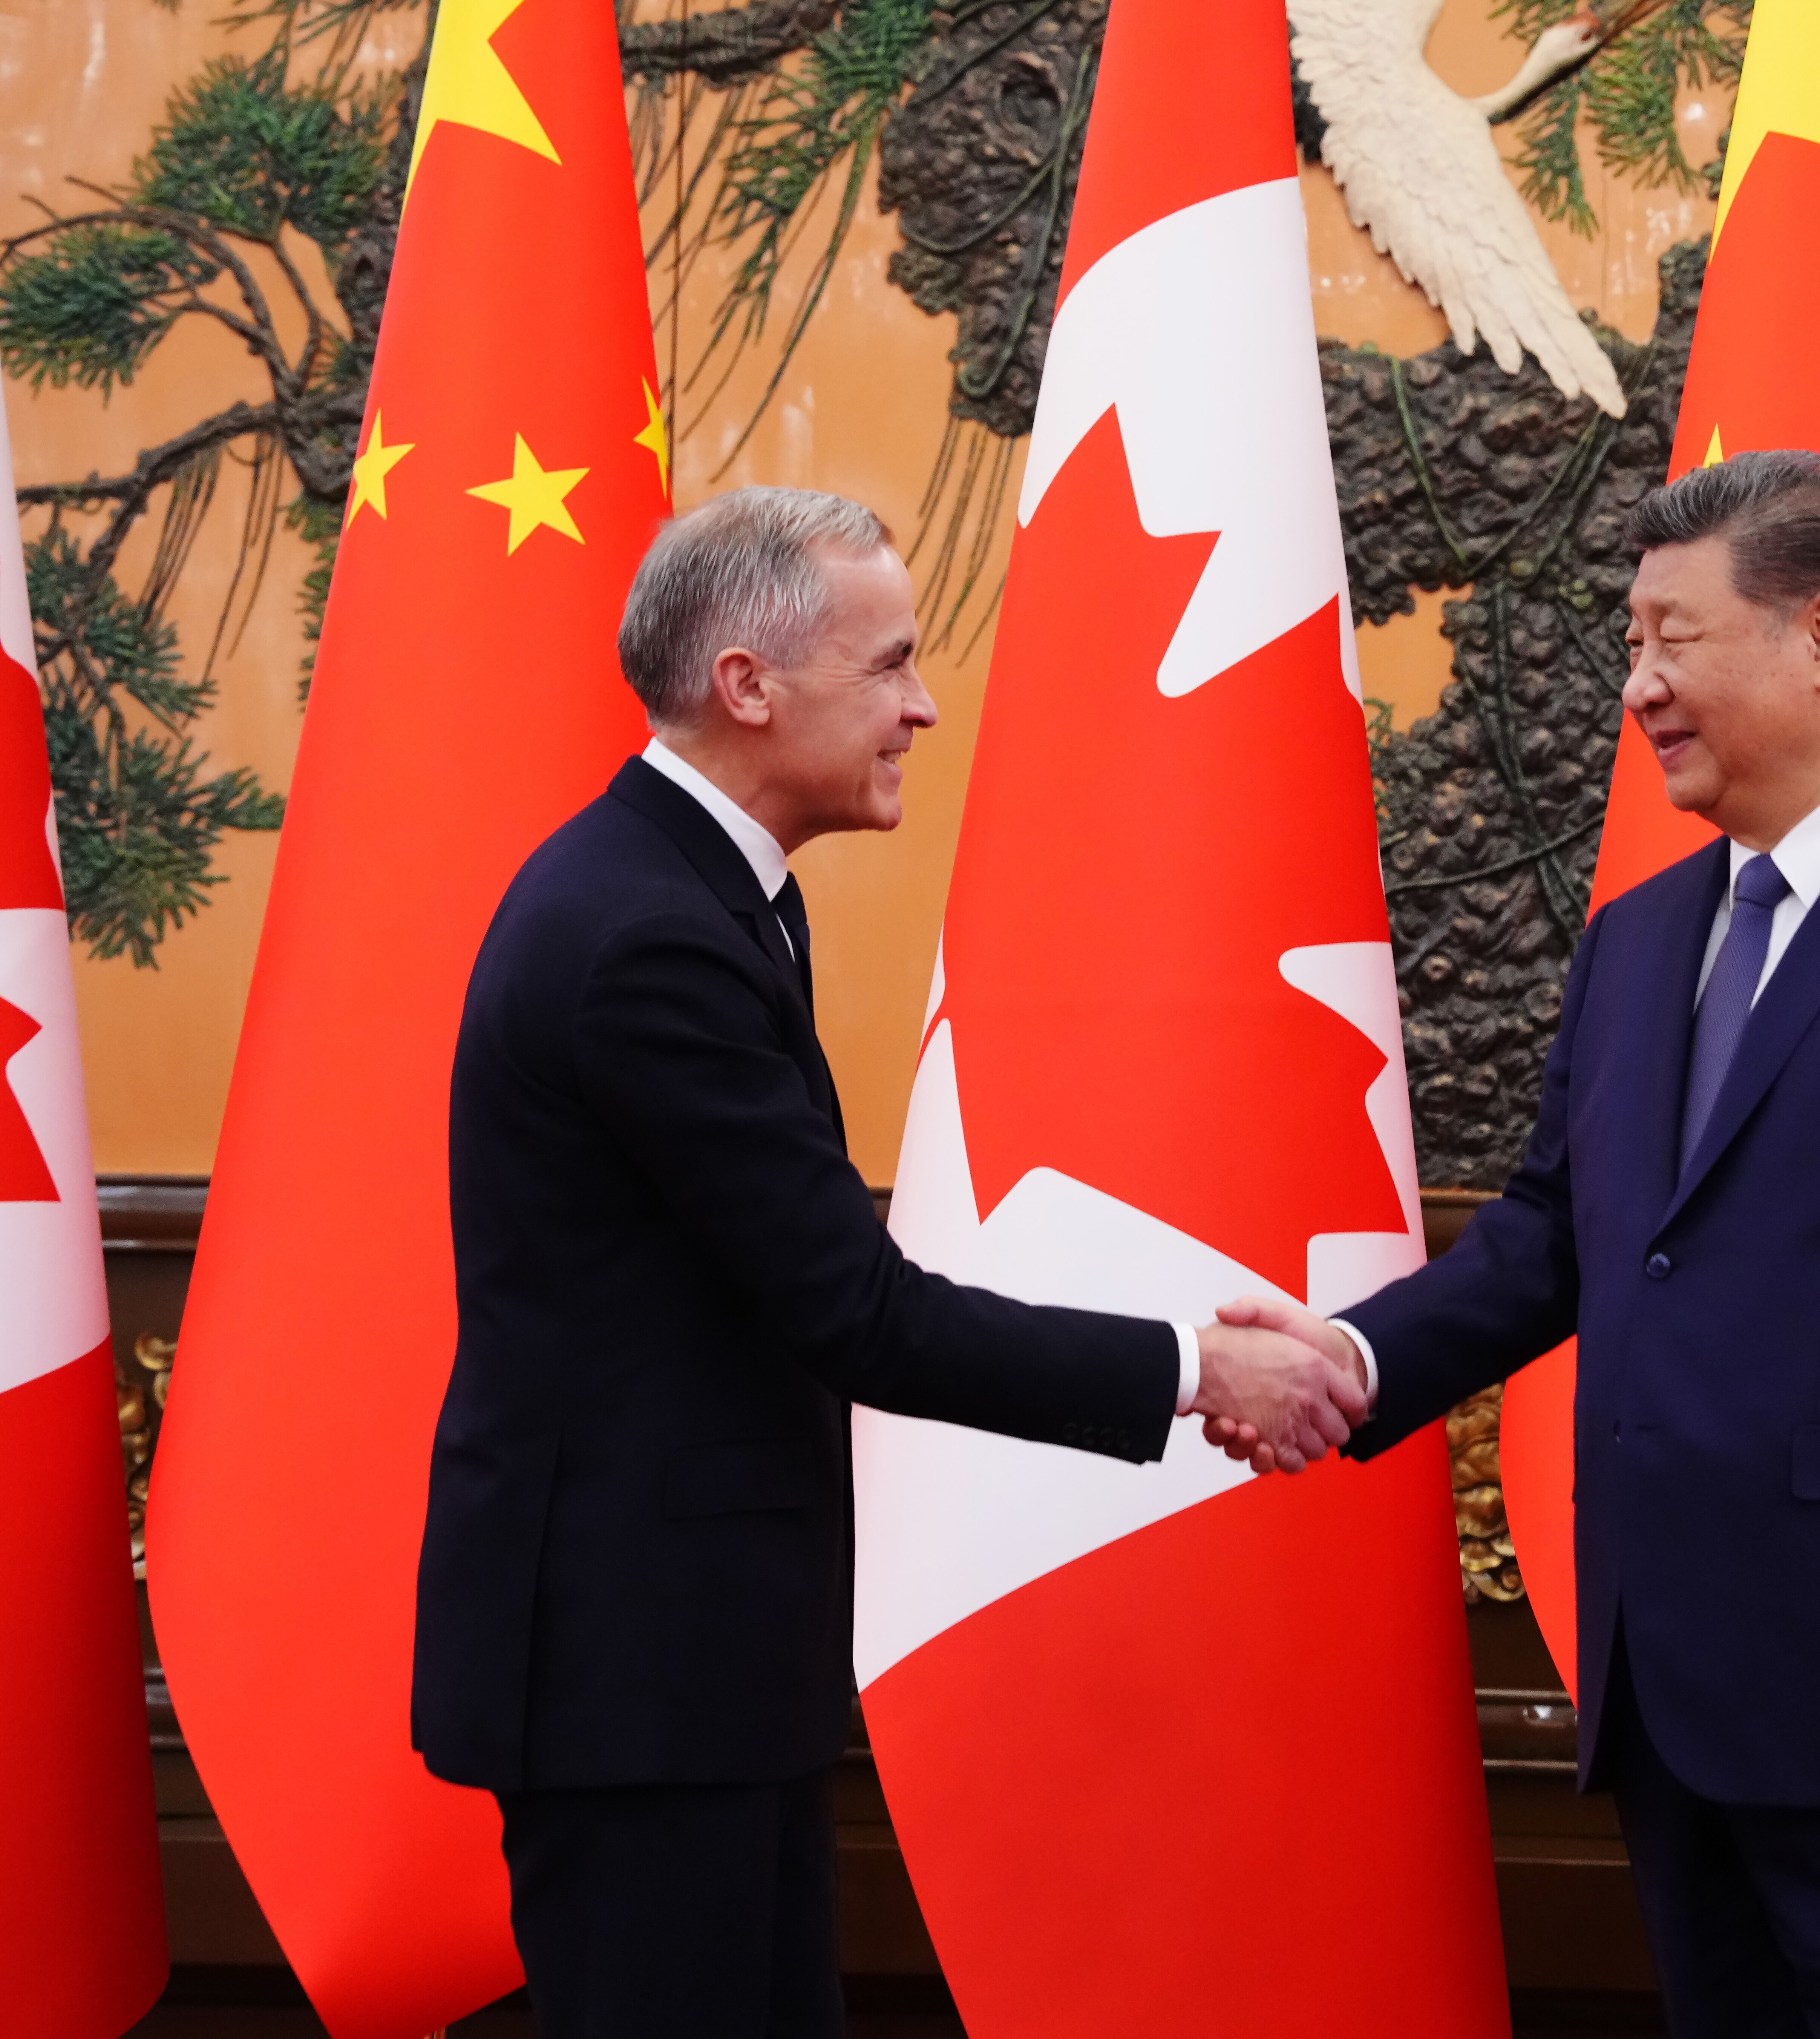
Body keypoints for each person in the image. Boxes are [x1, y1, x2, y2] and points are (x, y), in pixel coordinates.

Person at [1219, 451, 1820, 2036]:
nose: (1638, 687)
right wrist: (1350, 1355)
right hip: (1680, 1710)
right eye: (1630, 644)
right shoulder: (1640, 937)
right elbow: (1557, 1230)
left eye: (1672, 638)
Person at [411, 487, 1362, 2039]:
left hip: (695, 1662)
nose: (923, 705)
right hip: (640, 1680)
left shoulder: (690, 892)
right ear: (747, 685)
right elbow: (858, 1314)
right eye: (891, 663)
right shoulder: (647, 935)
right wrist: (1199, 1369)